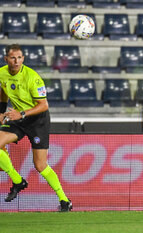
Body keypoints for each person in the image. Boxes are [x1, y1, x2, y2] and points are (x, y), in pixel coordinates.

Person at [0, 44, 72, 212]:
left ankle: (64, 200)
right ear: (6, 59)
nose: (16, 61)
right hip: (18, 118)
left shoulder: (33, 77)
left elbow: (44, 105)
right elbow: (3, 90)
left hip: (37, 121)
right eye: (13, 58)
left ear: (23, 59)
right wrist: (1, 111)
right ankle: (18, 181)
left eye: (19, 57)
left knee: (40, 165)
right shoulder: (2, 72)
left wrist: (22, 114)